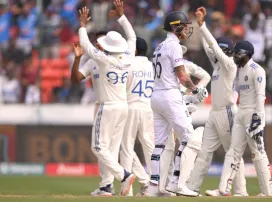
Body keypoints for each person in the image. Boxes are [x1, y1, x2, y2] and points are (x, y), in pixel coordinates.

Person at [204, 14, 272, 197]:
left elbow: (261, 95)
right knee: (233, 152)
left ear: (246, 54)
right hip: (241, 113)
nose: (234, 55)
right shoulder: (239, 70)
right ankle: (223, 189)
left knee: (258, 153)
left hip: (253, 114)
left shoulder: (257, 70)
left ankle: (268, 192)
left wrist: (258, 117)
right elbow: (236, 92)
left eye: (237, 53)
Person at [71, 1, 136, 196]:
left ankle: (123, 175)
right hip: (123, 106)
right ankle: (107, 186)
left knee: (98, 147)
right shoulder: (128, 57)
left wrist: (82, 25)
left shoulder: (104, 59)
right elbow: (132, 37)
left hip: (107, 107)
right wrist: (122, 17)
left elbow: (86, 45)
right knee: (111, 147)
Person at [187, 7, 248, 197]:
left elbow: (213, 46)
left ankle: (239, 191)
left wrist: (203, 26)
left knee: (233, 152)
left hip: (229, 112)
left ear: (227, 51)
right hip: (214, 113)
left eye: (219, 50)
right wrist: (201, 27)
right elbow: (208, 47)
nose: (215, 53)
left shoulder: (230, 65)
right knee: (204, 151)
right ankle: (191, 188)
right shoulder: (217, 66)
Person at [147, 10, 208, 197]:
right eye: (184, 26)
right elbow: (181, 75)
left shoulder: (159, 47)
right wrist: (196, 90)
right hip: (169, 95)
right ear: (174, 27)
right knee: (190, 137)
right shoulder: (173, 45)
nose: (186, 29)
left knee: (159, 144)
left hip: (156, 97)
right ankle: (177, 183)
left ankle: (153, 187)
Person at [157, 46, 211, 196]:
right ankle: (173, 184)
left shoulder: (185, 65)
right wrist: (194, 93)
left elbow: (206, 76)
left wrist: (194, 93)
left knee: (176, 143)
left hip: (175, 104)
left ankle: (170, 184)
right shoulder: (169, 66)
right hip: (173, 104)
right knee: (180, 143)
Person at [119, 37, 154, 196]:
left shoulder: (128, 64)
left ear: (134, 50)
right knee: (150, 147)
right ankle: (154, 184)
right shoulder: (152, 66)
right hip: (147, 108)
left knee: (126, 148)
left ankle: (127, 189)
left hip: (131, 107)